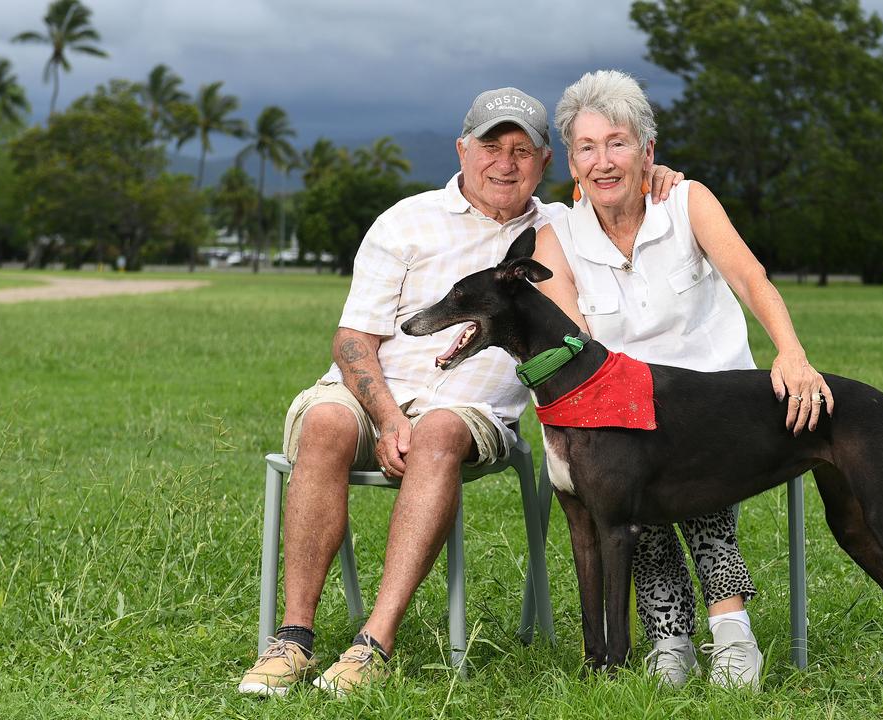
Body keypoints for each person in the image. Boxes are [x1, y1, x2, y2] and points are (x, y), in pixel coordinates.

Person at [239, 86, 681, 697]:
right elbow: (351, 341)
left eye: (523, 150)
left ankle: (374, 644)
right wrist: (389, 415)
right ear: (462, 150)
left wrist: (655, 172)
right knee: (325, 424)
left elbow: (620, 189)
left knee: (440, 432)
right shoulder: (406, 220)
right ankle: (293, 640)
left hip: (470, 415)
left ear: (547, 164)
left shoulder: (561, 229)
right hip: (374, 399)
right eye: (490, 146)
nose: (506, 162)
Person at [533, 70, 834, 690]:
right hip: (625, 409)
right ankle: (669, 638)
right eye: (587, 148)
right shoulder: (556, 234)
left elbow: (752, 279)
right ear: (572, 160)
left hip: (715, 399)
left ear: (648, 149)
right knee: (625, 464)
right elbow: (573, 339)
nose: (602, 161)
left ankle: (731, 632)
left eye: (617, 143)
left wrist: (792, 353)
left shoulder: (687, 200)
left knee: (692, 456)